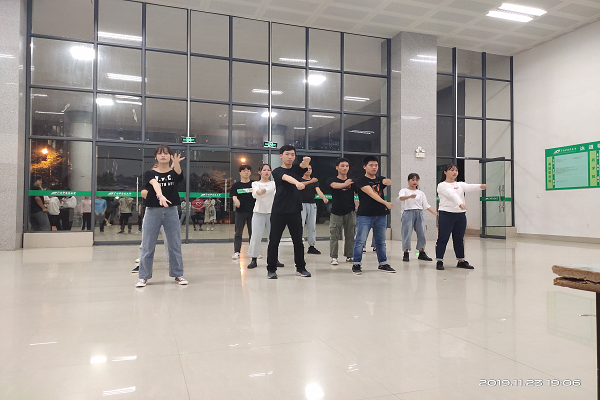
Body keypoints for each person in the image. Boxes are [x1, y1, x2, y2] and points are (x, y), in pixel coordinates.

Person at [136, 145, 187, 288]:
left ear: (170, 156)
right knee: (147, 245)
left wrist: (176, 163)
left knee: (174, 244)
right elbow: (153, 184)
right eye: (159, 153)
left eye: (166, 153)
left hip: (171, 211)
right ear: (155, 157)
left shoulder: (173, 173)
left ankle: (178, 274)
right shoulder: (149, 173)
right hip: (152, 211)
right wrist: (159, 195)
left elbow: (178, 174)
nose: (163, 155)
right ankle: (143, 277)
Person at [266, 145, 312, 279]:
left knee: (298, 241)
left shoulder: (296, 169)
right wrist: (297, 183)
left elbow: (302, 166)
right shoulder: (277, 171)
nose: (290, 157)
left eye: (292, 154)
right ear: (281, 156)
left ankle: (301, 268)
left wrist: (306, 161)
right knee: (274, 241)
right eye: (287, 154)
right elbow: (286, 177)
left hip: (295, 210)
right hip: (279, 211)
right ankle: (271, 269)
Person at [435, 164, 486, 271]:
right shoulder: (442, 185)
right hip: (446, 214)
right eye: (451, 170)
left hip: (460, 215)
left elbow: (469, 187)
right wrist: (460, 203)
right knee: (443, 238)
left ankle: (461, 260)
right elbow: (452, 194)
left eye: (456, 170)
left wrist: (480, 186)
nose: (455, 172)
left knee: (459, 238)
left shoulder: (460, 184)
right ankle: (439, 260)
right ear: (445, 172)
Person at [351, 156, 395, 275]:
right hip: (365, 214)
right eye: (371, 165)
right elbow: (371, 193)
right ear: (364, 166)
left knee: (381, 241)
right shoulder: (360, 180)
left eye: (376, 165)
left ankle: (383, 263)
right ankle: (356, 264)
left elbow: (387, 181)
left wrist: (387, 181)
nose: (374, 167)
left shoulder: (380, 179)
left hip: (381, 215)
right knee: (360, 240)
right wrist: (385, 202)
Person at [398, 173, 437, 262]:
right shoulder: (404, 190)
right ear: (408, 180)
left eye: (416, 180)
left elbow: (426, 205)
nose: (415, 182)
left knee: (422, 232)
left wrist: (436, 213)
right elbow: (401, 198)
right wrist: (409, 196)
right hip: (408, 213)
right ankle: (406, 252)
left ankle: (421, 252)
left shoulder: (421, 193)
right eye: (413, 180)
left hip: (419, 213)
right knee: (407, 233)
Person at [327, 158, 356, 265]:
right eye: (342, 166)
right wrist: (345, 184)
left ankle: (349, 255)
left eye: (347, 166)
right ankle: (334, 257)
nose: (345, 168)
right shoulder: (331, 179)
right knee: (334, 235)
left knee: (350, 235)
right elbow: (334, 186)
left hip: (350, 211)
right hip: (336, 211)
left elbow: (358, 192)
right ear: (337, 167)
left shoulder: (352, 181)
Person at [300, 165, 328, 255]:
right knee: (300, 226)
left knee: (312, 226)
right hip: (301, 204)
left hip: (312, 204)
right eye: (306, 169)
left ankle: (311, 246)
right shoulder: (299, 179)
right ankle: (299, 245)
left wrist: (323, 198)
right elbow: (300, 185)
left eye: (310, 169)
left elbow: (318, 190)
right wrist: (310, 181)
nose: (308, 170)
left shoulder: (314, 181)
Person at [230, 165, 255, 259]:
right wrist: (236, 201)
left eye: (248, 170)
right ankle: (237, 252)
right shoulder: (236, 185)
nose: (246, 172)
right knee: (238, 232)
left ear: (250, 172)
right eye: (244, 171)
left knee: (253, 233)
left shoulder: (254, 184)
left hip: (253, 211)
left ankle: (254, 252)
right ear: (240, 173)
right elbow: (233, 195)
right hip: (240, 211)